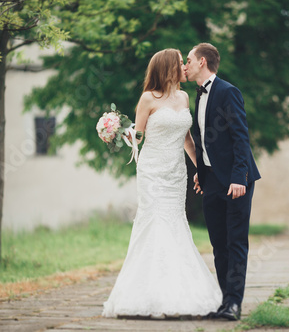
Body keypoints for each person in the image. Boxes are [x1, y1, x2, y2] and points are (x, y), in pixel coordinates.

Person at [102, 49, 222, 318]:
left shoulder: (184, 96)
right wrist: (117, 130)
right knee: (155, 221)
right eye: (180, 63)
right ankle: (144, 294)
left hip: (176, 172)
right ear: (167, 68)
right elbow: (138, 136)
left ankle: (179, 292)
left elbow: (187, 139)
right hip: (152, 171)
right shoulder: (148, 98)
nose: (184, 67)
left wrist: (200, 168)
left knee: (176, 221)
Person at [185, 43, 261, 321]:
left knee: (235, 241)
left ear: (202, 62)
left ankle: (234, 304)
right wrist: (201, 171)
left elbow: (241, 137)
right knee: (218, 242)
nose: (185, 65)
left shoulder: (228, 92)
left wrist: (239, 176)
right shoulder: (198, 95)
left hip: (236, 180)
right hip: (212, 180)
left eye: (189, 60)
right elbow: (206, 140)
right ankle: (225, 300)